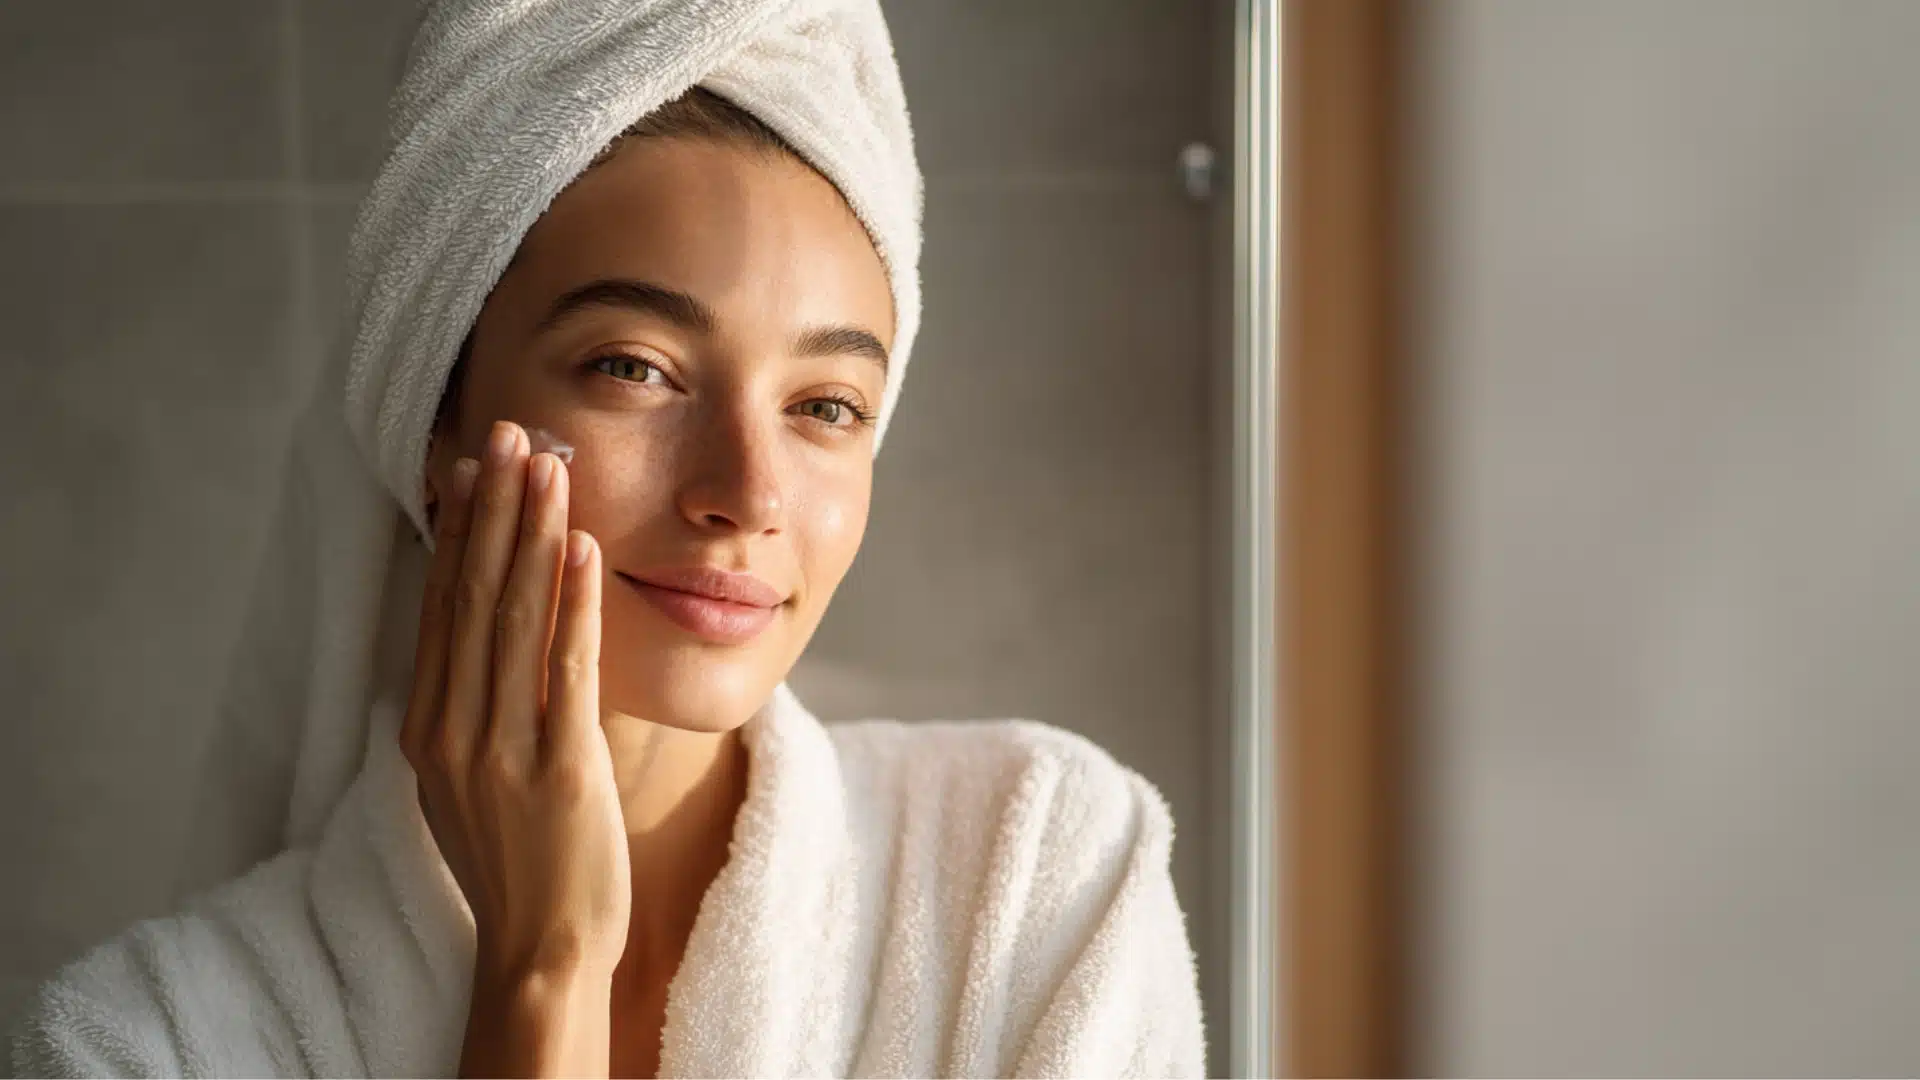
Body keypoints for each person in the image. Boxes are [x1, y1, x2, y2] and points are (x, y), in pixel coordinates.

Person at [7, 2, 1206, 1077]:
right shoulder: (144, 1041)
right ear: (436, 427)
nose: (746, 493)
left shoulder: (1038, 878)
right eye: (634, 369)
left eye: (826, 406)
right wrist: (544, 972)